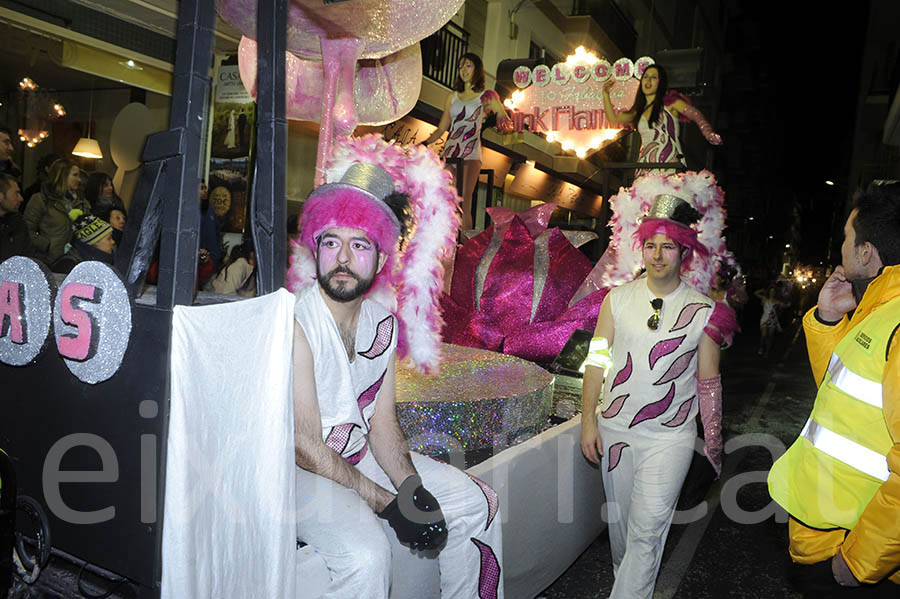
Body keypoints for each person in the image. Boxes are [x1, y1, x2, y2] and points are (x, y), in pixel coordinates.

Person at [289, 157, 503, 598]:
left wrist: (411, 488)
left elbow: (382, 425)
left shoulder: (382, 324)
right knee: (366, 558)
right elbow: (305, 448)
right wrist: (392, 506)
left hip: (355, 457)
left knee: (474, 503)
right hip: (290, 473)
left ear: (381, 257)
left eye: (360, 245)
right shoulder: (293, 321)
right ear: (315, 248)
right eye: (332, 242)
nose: (343, 258)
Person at [580, 193, 727, 599]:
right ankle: (628, 586)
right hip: (616, 430)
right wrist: (588, 420)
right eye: (650, 245)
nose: (658, 255)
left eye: (668, 246)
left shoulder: (704, 310)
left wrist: (713, 443)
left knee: (647, 533)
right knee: (624, 532)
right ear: (641, 249)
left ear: (684, 252)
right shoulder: (617, 299)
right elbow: (596, 361)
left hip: (670, 437)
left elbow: (709, 382)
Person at [767, 183, 900, 597]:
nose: (842, 247)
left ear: (866, 251)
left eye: (846, 237)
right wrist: (827, 320)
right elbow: (847, 398)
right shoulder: (880, 308)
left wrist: (859, 561)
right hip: (833, 533)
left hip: (857, 555)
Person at [421, 53, 512, 231]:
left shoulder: (486, 96)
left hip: (470, 153)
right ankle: (443, 237)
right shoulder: (452, 97)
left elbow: (502, 115)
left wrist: (501, 114)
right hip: (449, 153)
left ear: (477, 69)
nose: (463, 70)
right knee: (443, 196)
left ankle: (463, 245)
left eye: (468, 65)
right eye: (461, 66)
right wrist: (423, 144)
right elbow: (442, 128)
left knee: (463, 200)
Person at [602, 64, 722, 177]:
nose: (648, 81)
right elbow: (614, 119)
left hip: (668, 163)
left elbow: (695, 114)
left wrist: (708, 132)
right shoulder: (638, 111)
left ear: (660, 82)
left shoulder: (670, 103)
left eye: (653, 77)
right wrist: (605, 94)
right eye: (645, 77)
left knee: (663, 197)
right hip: (645, 165)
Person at [23, 160, 91, 265]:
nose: (79, 179)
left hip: (73, 261)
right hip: (45, 260)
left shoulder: (82, 202)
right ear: (62, 176)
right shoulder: (41, 200)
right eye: (75, 175)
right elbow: (27, 229)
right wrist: (46, 245)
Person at [50, 210, 116, 274]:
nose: (113, 242)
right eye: (109, 238)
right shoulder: (68, 266)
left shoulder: (105, 260)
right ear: (94, 242)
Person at [0, 173, 34, 262]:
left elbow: (28, 257)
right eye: (16, 193)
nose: (21, 198)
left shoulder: (18, 223)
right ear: (0, 196)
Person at [755, 285, 787, 357]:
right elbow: (756, 293)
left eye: (773, 292)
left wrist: (786, 305)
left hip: (773, 320)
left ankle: (767, 351)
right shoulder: (765, 299)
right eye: (770, 291)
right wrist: (762, 290)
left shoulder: (777, 302)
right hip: (764, 319)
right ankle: (761, 346)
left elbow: (784, 305)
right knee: (764, 335)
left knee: (770, 336)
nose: (772, 293)